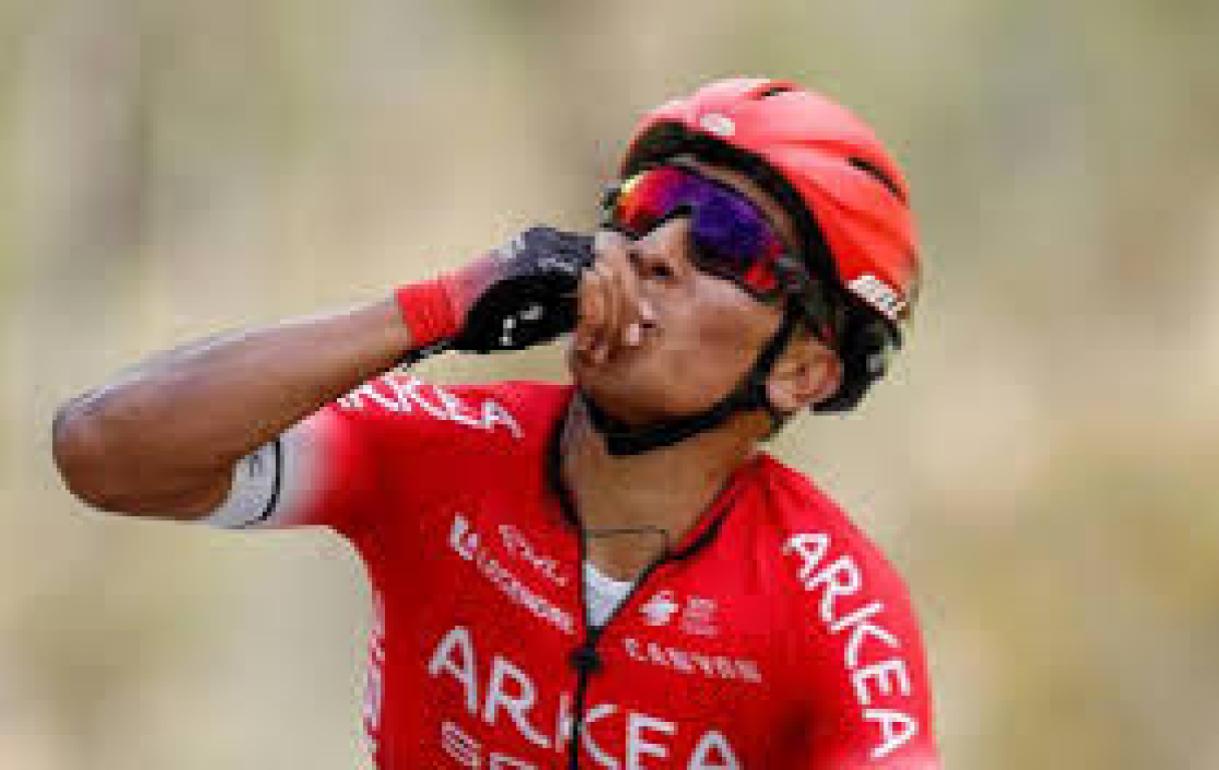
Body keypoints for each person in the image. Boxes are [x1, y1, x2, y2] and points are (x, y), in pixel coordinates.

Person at [52, 77, 939, 769]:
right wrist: (440, 306)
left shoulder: (834, 601)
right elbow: (106, 452)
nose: (654, 250)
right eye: (646, 204)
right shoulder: (443, 445)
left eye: (725, 238)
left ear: (802, 369)